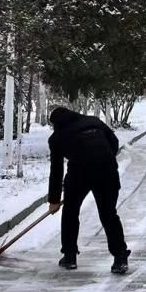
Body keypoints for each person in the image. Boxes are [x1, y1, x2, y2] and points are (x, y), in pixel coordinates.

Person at [47, 106, 130, 274]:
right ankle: (120, 257)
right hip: (107, 171)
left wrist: (54, 200)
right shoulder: (94, 121)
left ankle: (69, 256)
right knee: (108, 214)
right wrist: (103, 158)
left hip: (79, 173)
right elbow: (114, 142)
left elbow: (56, 170)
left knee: (70, 212)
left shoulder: (57, 137)